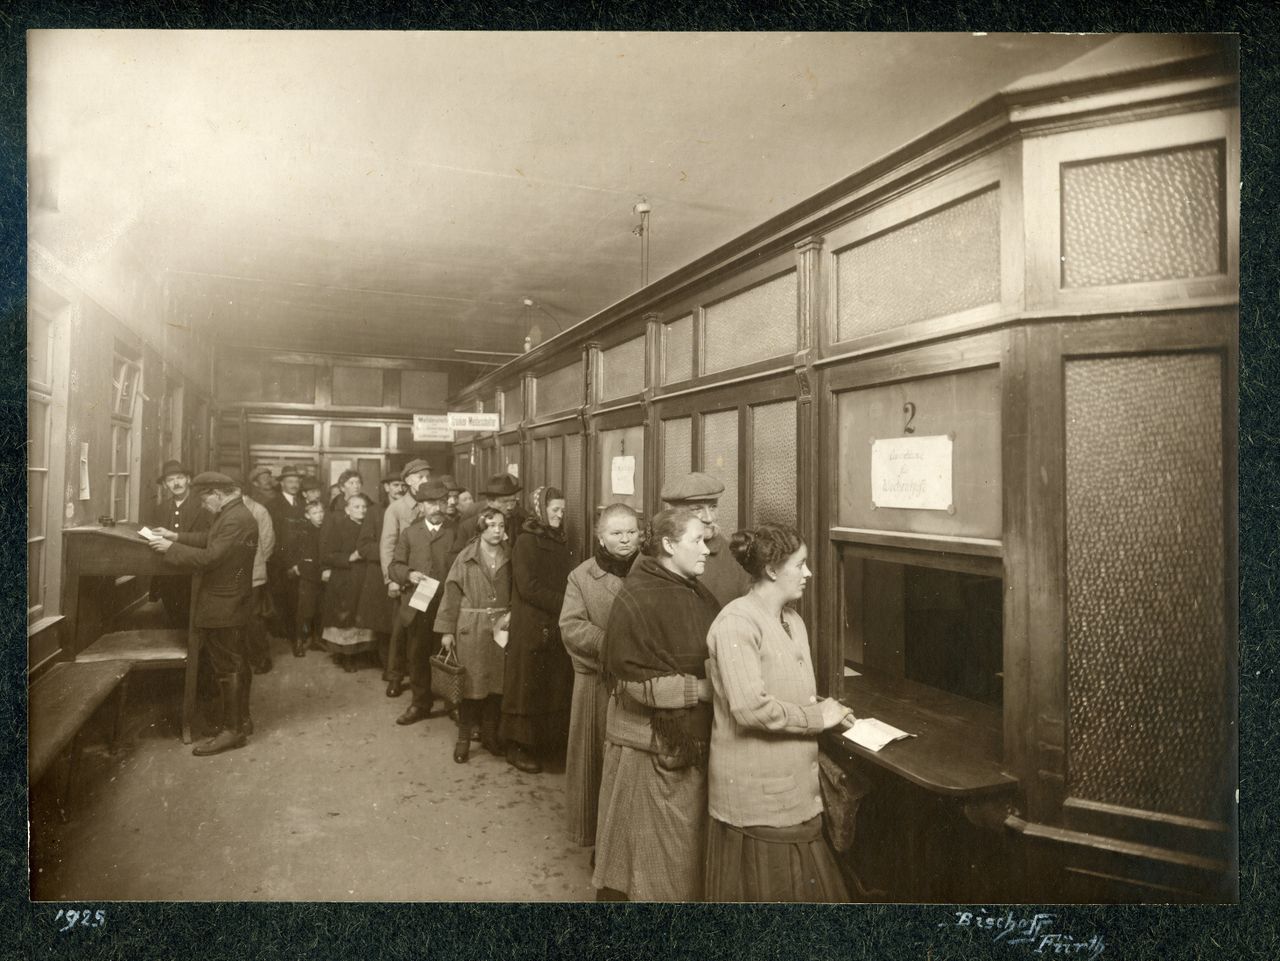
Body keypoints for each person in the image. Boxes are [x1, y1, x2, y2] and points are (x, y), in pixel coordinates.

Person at [703, 525, 852, 902]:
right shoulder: (736, 623)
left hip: (793, 790)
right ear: (771, 570)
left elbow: (786, 689)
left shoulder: (793, 620)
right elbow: (750, 707)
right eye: (800, 565)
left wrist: (829, 710)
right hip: (758, 800)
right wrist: (818, 717)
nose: (808, 573)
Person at [592, 508, 721, 901]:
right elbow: (633, 681)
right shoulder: (641, 594)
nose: (706, 549)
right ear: (668, 545)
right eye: (696, 541)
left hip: (674, 744)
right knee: (646, 858)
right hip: (646, 747)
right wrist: (701, 690)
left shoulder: (691, 588)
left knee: (658, 858)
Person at [147, 472, 258, 756]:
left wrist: (171, 548)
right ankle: (241, 722)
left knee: (228, 666)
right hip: (231, 600)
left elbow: (210, 557)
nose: (204, 505)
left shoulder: (235, 518)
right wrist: (176, 536)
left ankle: (232, 731)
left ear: (217, 494)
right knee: (235, 663)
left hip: (224, 603)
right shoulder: (233, 513)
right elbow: (211, 539)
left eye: (205, 500)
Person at [559, 503, 640, 848]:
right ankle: (596, 838)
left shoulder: (651, 571)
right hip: (596, 685)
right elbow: (571, 626)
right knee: (595, 761)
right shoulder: (581, 577)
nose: (625, 539)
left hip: (640, 683)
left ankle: (625, 841)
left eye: (632, 532)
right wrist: (610, 644)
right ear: (600, 537)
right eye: (616, 533)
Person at [501, 485, 575, 774]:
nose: (559, 515)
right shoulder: (526, 541)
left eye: (562, 510)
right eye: (555, 510)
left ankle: (542, 744)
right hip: (531, 624)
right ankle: (518, 747)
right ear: (540, 510)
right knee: (527, 686)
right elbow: (527, 587)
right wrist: (565, 603)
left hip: (553, 622)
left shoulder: (557, 540)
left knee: (549, 684)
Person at [435, 507, 511, 763]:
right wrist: (447, 631)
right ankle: (463, 739)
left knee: (496, 686)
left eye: (501, 525)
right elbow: (451, 594)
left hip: (500, 628)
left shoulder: (510, 556)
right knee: (469, 687)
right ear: (480, 529)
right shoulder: (466, 557)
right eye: (491, 526)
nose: (497, 531)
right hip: (471, 628)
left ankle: (490, 736)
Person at [388, 477, 465, 725]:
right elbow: (394, 566)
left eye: (441, 502)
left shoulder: (456, 532)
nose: (436, 508)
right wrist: (408, 574)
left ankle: (453, 703)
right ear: (421, 506)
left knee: (449, 652)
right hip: (419, 600)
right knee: (418, 653)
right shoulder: (410, 533)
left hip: (447, 601)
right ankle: (420, 703)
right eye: (430, 503)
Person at [661, 472, 751, 608]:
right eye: (697, 509)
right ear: (674, 513)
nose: (709, 518)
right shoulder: (656, 551)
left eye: (713, 507)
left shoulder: (728, 551)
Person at [380, 459, 431, 698]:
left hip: (427, 579)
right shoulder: (397, 509)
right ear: (408, 481)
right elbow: (387, 546)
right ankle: (395, 676)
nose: (425, 481)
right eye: (420, 477)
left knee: (422, 630)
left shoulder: (430, 503)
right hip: (405, 579)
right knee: (401, 630)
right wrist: (391, 579)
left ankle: (422, 678)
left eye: (427, 476)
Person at [319, 491, 378, 672]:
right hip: (345, 579)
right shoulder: (339, 527)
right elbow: (327, 555)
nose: (361, 510)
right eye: (356, 507)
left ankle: (362, 653)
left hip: (365, 578)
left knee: (364, 616)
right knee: (346, 619)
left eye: (364, 507)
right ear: (347, 510)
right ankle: (346, 656)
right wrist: (349, 557)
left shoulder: (371, 528)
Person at [146, 459, 210, 628]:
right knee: (174, 617)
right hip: (168, 573)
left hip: (194, 571)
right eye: (170, 480)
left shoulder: (204, 506)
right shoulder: (160, 508)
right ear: (165, 485)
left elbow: (209, 538)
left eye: (180, 478)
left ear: (188, 479)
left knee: (194, 619)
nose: (176, 483)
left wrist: (176, 539)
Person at [268, 465, 309, 655]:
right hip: (282, 563)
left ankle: (298, 637)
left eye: (297, 481)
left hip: (303, 561)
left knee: (301, 602)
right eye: (290, 481)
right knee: (288, 602)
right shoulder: (273, 505)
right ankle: (295, 639)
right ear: (282, 484)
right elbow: (272, 537)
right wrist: (289, 564)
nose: (294, 485)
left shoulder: (304, 503)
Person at [241, 483, 277, 675]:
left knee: (253, 617)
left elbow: (268, 541)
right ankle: (244, 658)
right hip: (233, 575)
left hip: (254, 574)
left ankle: (262, 659)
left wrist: (258, 564)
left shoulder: (259, 510)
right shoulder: (226, 510)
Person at [289, 500, 327, 654]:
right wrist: (296, 565)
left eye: (321, 512)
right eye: (315, 513)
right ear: (307, 515)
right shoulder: (303, 531)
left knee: (321, 609)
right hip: (308, 575)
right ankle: (299, 641)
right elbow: (293, 550)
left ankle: (316, 639)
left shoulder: (326, 530)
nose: (319, 516)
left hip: (322, 574)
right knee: (305, 610)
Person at [481, 473, 526, 541]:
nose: (510, 507)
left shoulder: (523, 520)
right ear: (490, 502)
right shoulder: (471, 527)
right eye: (504, 502)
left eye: (513, 501)